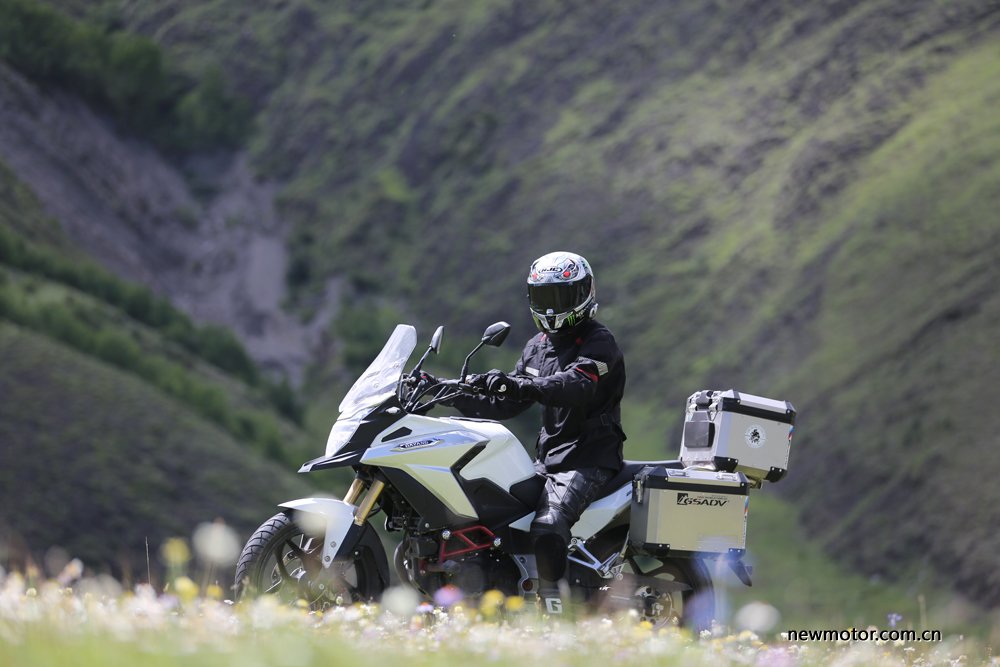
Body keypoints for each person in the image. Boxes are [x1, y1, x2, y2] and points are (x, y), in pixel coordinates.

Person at [446, 251, 627, 614]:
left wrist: (522, 386)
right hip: (548, 460)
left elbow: (576, 384)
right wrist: (451, 394)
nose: (550, 308)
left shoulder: (599, 342)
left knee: (547, 525)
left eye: (560, 297)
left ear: (583, 294)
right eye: (544, 298)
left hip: (590, 457)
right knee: (491, 515)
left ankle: (555, 610)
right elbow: (507, 406)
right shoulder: (537, 346)